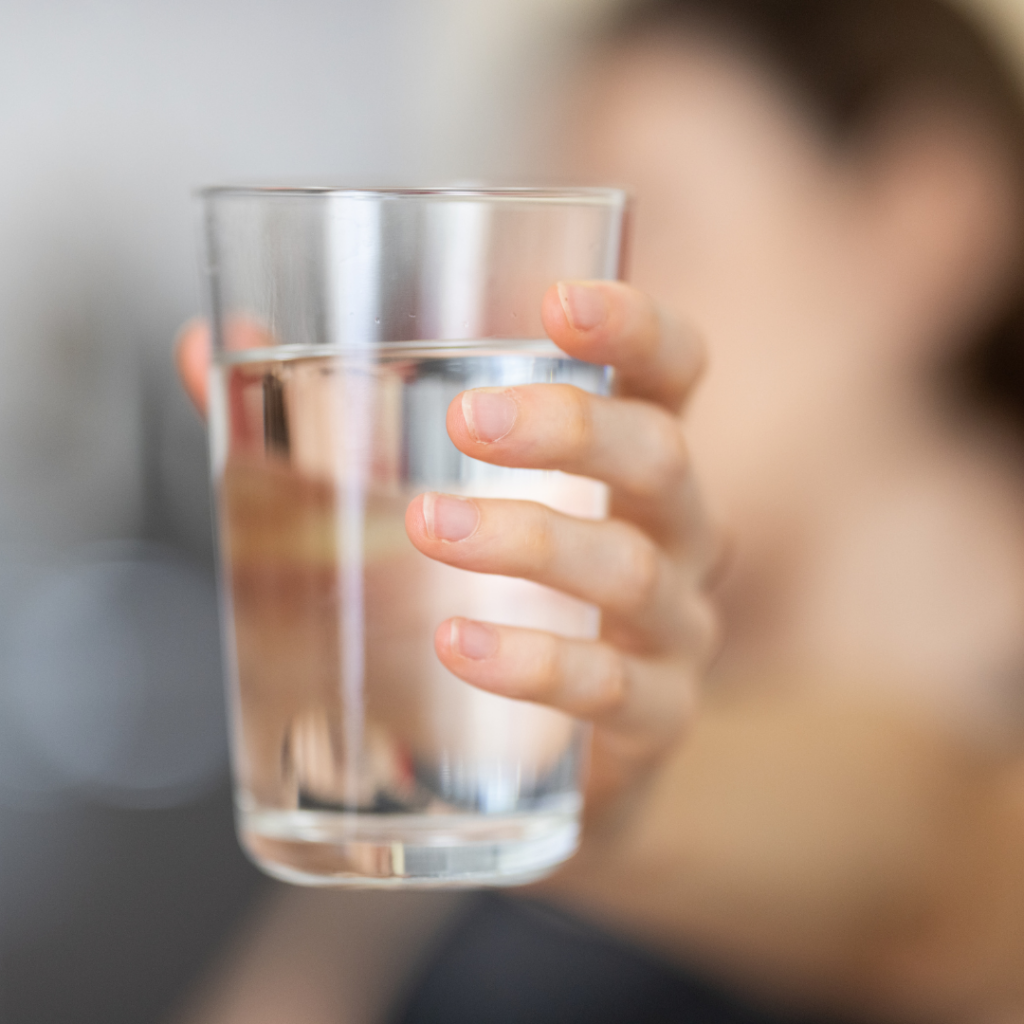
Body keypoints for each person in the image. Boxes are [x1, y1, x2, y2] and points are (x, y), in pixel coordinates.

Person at [174, 0, 1024, 1021]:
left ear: (927, 217)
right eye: (535, 252)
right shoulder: (524, 698)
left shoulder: (937, 802)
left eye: (643, 221)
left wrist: (619, 801)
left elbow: (938, 856)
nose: (538, 312)